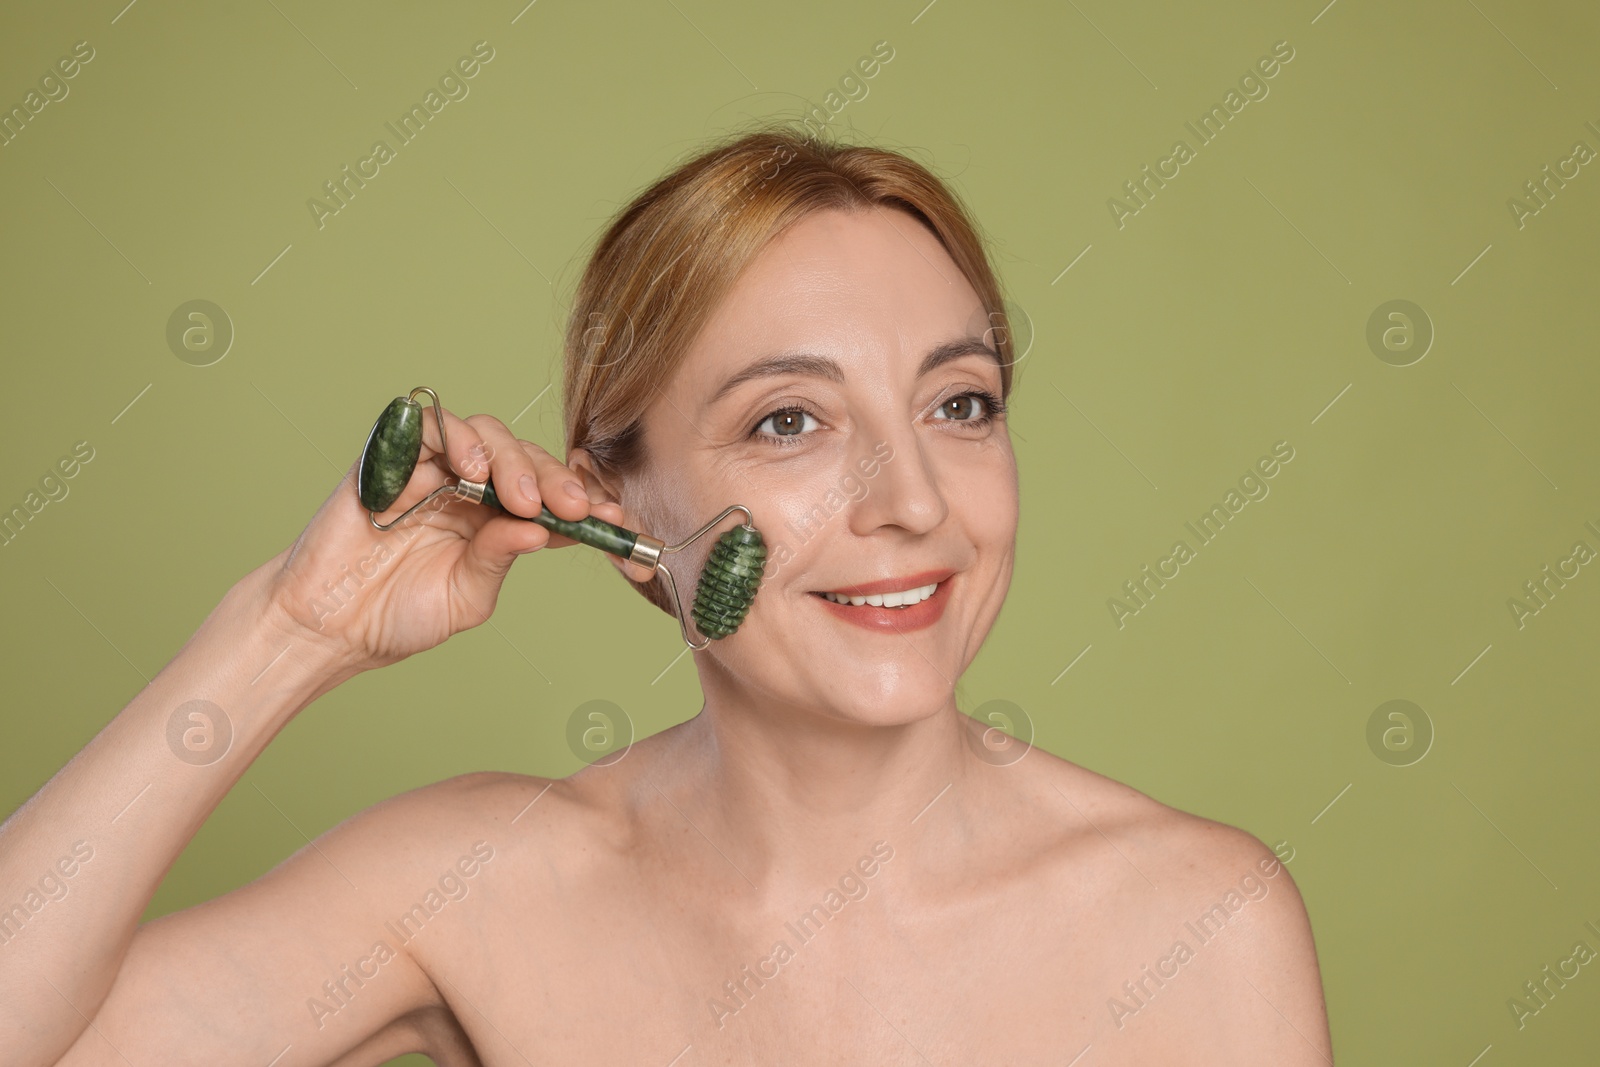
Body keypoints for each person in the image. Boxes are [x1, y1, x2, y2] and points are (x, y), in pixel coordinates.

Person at [1, 125, 1332, 1065]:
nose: (913, 501)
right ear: (616, 501)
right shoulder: (471, 888)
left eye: (961, 403)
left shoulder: (1196, 921)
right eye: (790, 422)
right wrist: (287, 635)